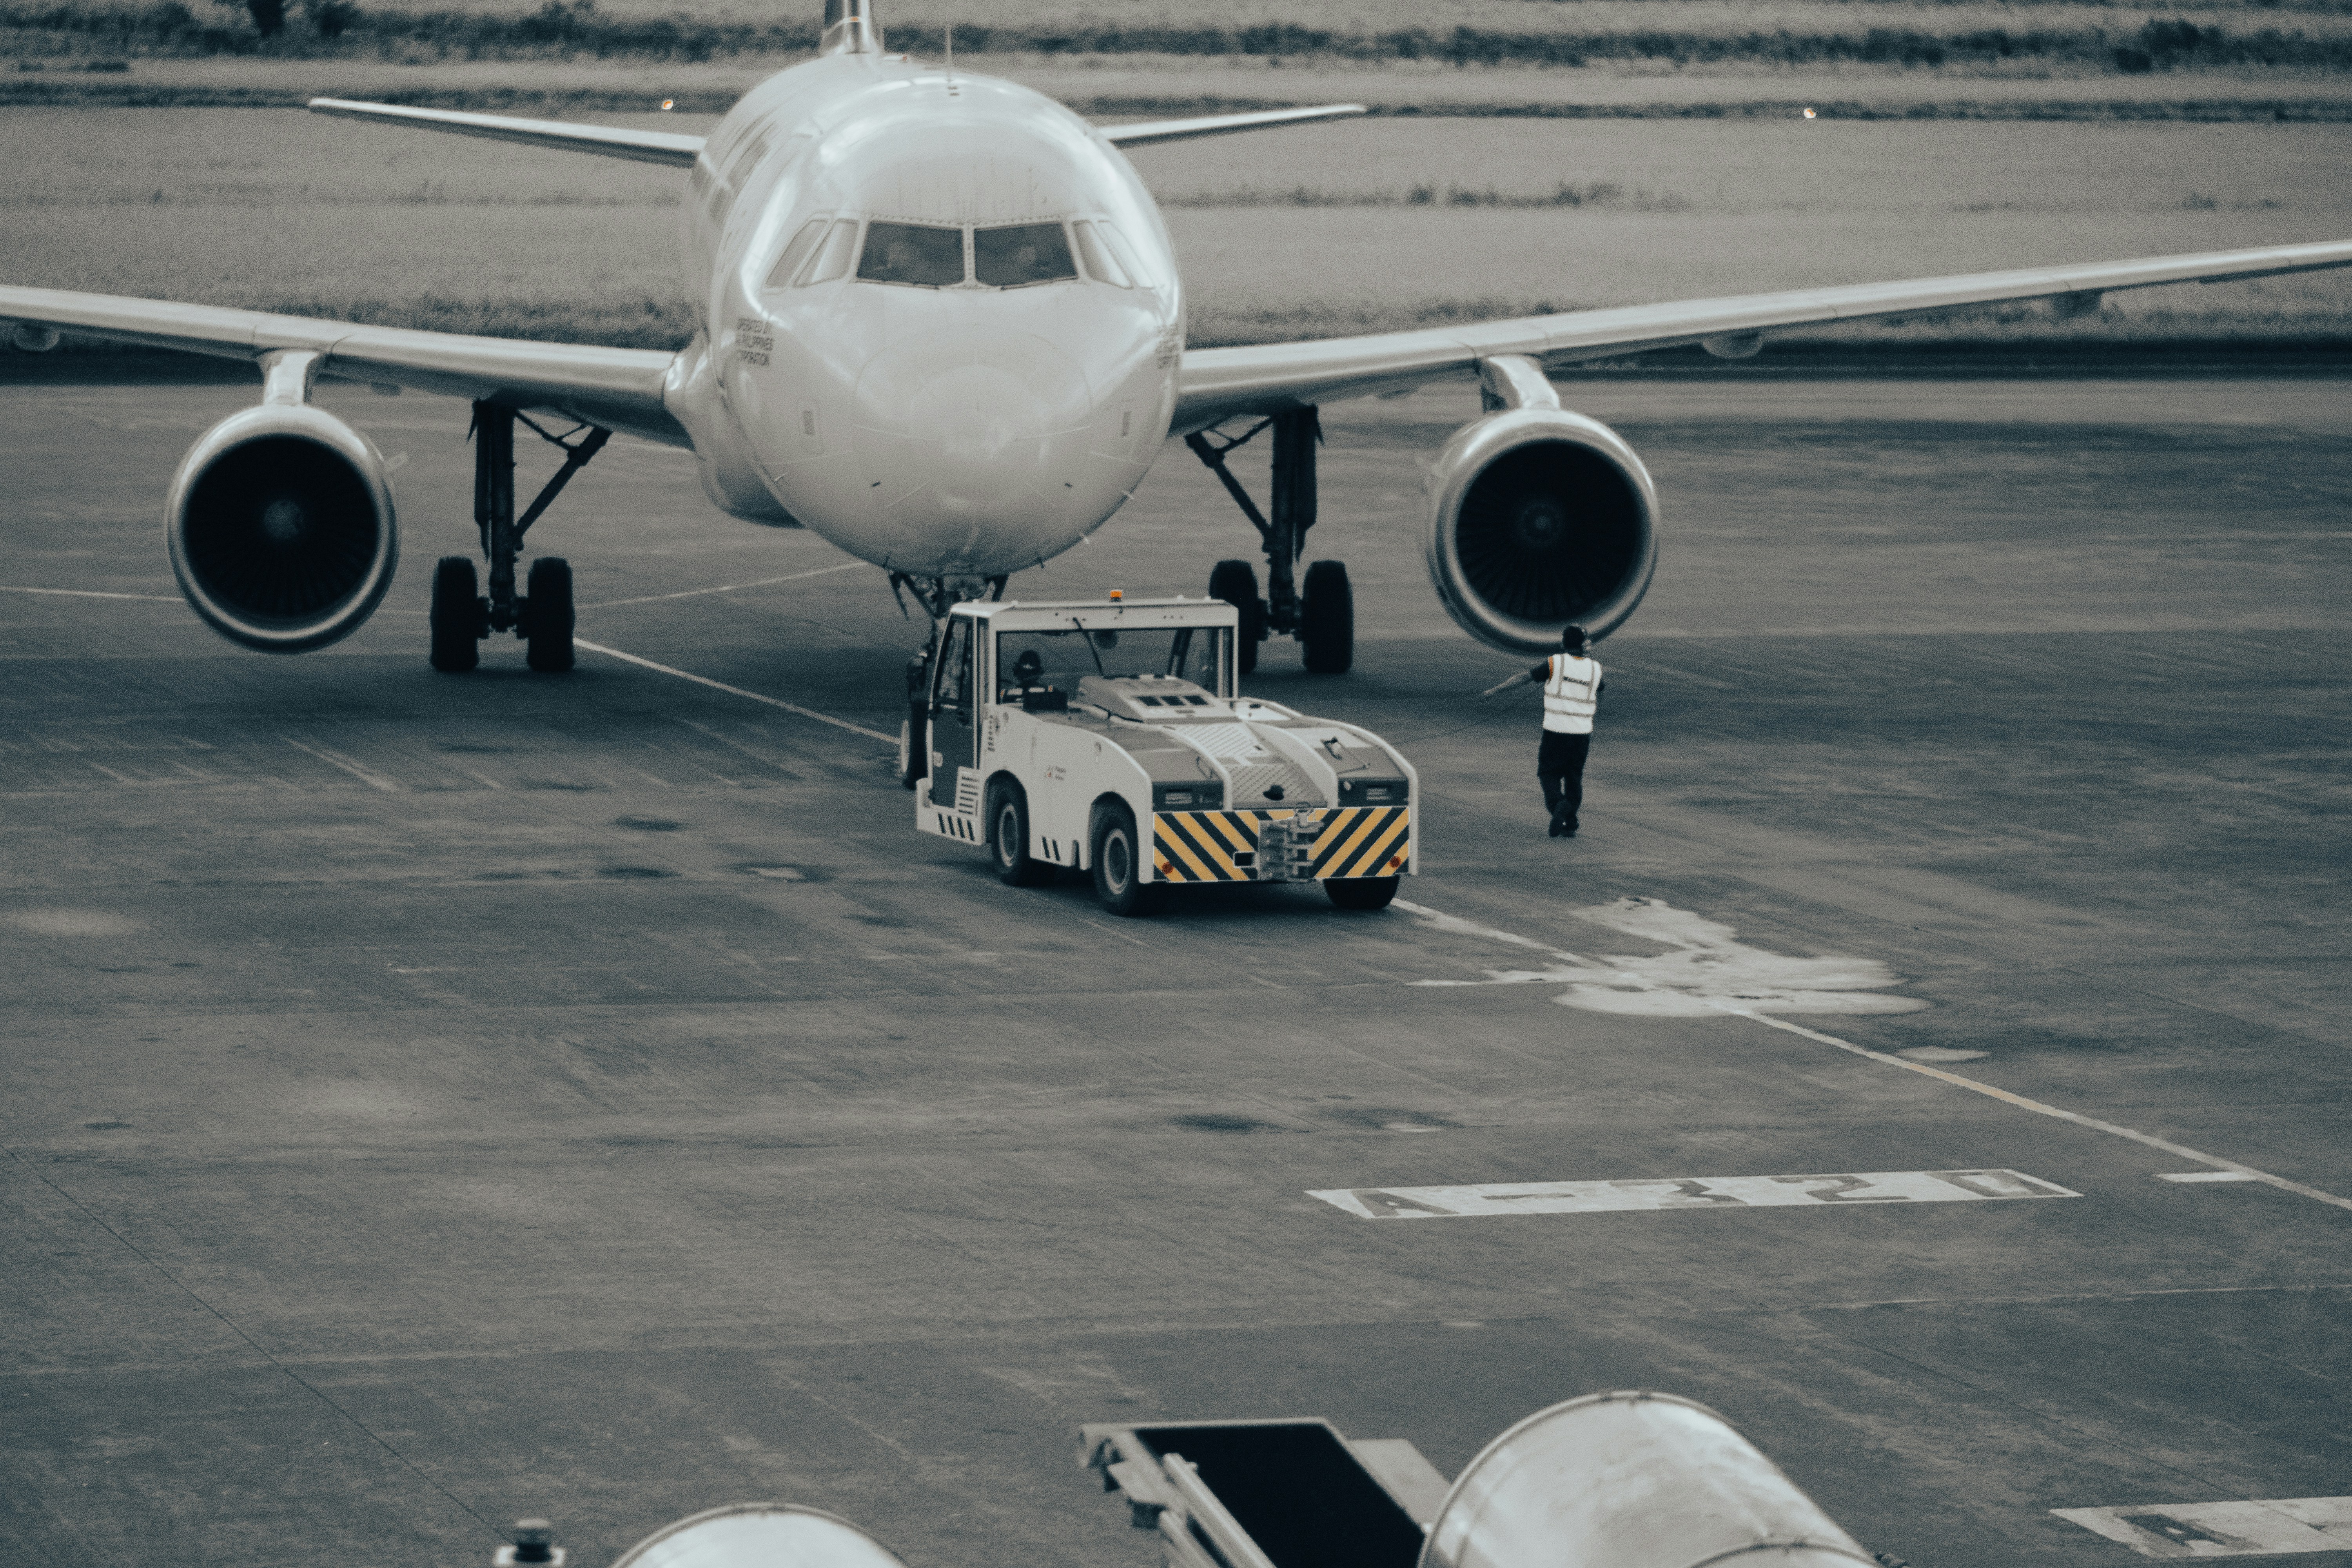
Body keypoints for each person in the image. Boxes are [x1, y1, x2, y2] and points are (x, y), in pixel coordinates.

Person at [1480, 626, 1603, 838]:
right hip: (1582, 734)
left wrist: (1494, 691)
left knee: (1548, 773)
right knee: (1574, 778)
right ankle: (1571, 824)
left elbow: (1524, 678)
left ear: (1563, 643)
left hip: (1556, 731)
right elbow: (1599, 694)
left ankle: (1559, 805)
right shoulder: (1595, 669)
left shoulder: (1556, 663)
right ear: (1582, 645)